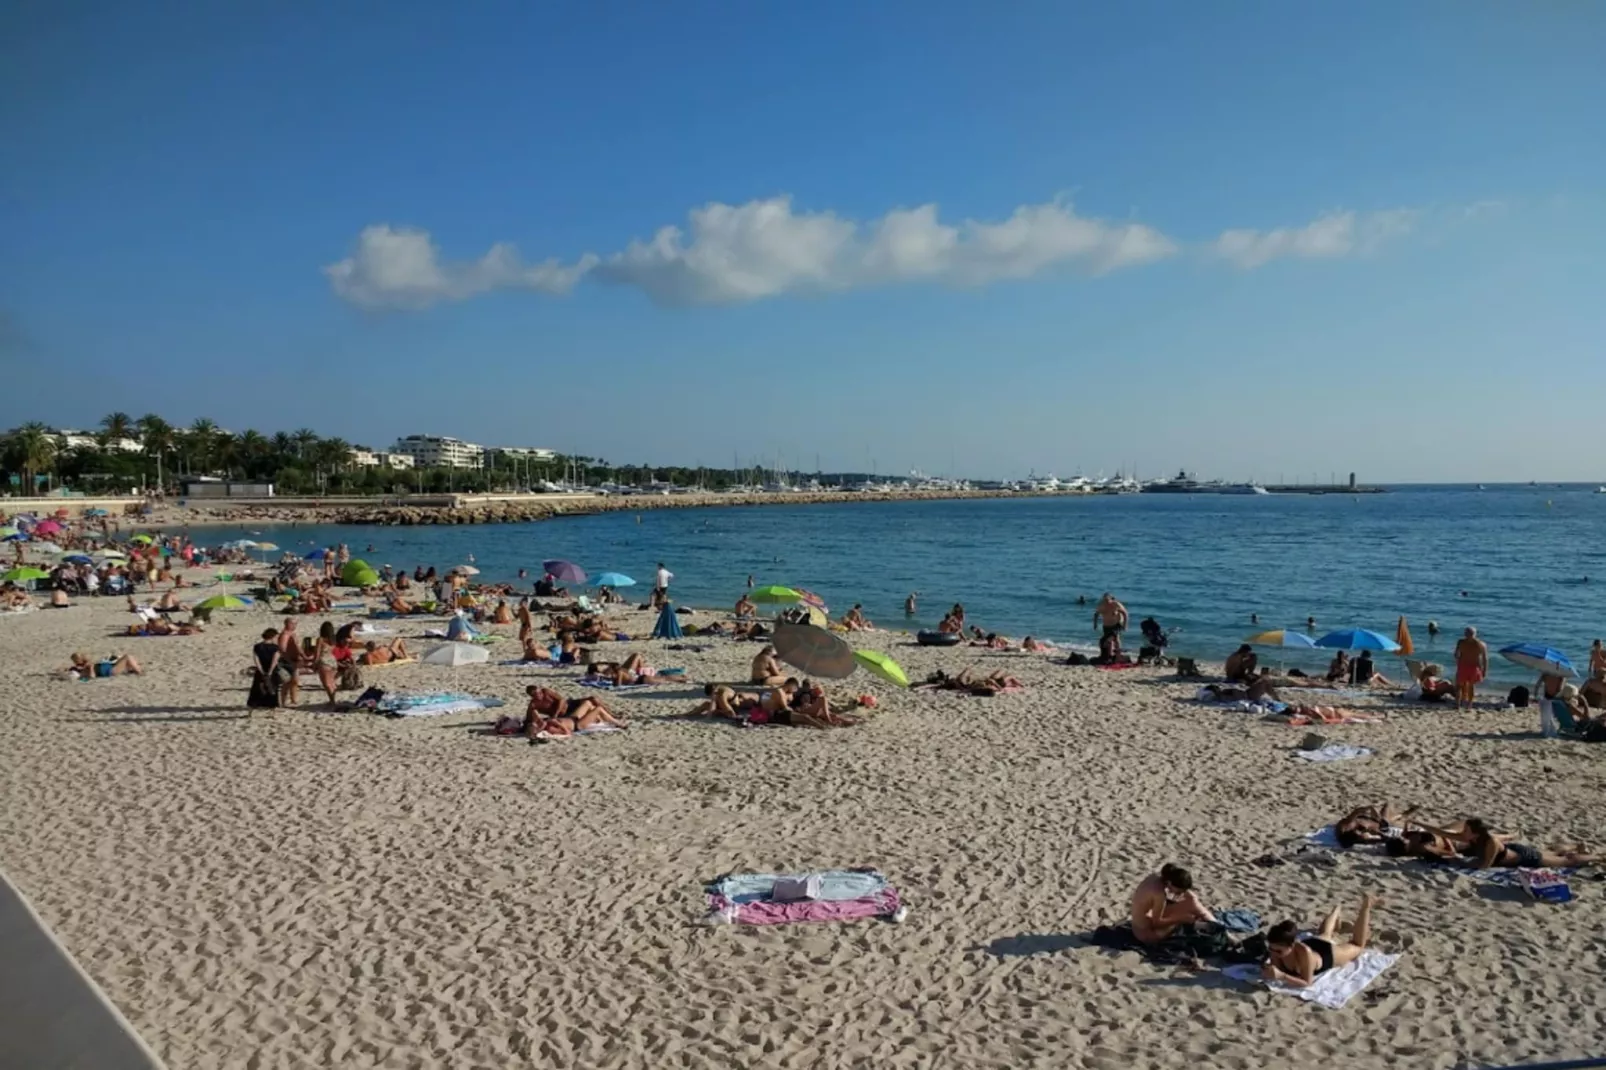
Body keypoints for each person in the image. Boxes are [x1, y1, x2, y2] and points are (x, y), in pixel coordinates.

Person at [1263, 894, 1381, 987]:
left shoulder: (1305, 953)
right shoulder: (1276, 948)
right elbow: (1275, 968)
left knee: (1357, 945)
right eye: (1271, 949)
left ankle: (1366, 906)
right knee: (1325, 934)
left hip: (1326, 954)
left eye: (1279, 951)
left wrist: (1283, 976)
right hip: (1313, 943)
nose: (1273, 953)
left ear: (1292, 946)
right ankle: (1336, 912)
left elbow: (1307, 982)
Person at [1465, 818, 1603, 869]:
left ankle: (1599, 857)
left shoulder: (1491, 843)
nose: (1463, 832)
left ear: (1476, 833)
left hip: (1526, 857)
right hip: (1515, 850)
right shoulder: (1480, 837)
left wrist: (1462, 863)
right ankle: (1575, 846)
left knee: (1565, 861)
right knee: (1552, 852)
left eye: (1466, 830)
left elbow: (1485, 866)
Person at [1130, 864, 1214, 946]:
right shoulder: (1159, 895)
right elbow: (1157, 923)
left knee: (1190, 902)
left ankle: (1211, 923)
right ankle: (1208, 924)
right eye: (1178, 892)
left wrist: (1188, 895)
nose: (1179, 894)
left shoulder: (1155, 877)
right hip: (1147, 935)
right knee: (1186, 913)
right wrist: (1180, 919)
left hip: (1138, 925)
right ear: (1170, 883)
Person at [1453, 627, 1487, 709]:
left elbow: (1456, 654)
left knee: (1459, 686)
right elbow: (1485, 659)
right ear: (1475, 634)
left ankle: (1458, 704)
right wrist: (1484, 670)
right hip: (1474, 667)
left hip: (1463, 666)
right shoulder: (1481, 644)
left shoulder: (1461, 642)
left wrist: (1459, 659)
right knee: (1471, 686)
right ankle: (1469, 705)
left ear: (1465, 634)